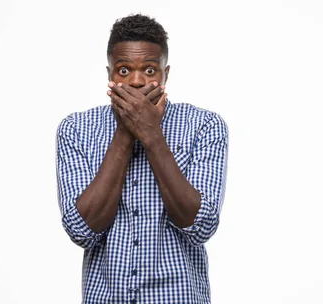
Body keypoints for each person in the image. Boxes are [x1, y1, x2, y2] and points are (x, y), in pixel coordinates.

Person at [55, 14, 229, 303]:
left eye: (149, 70)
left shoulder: (205, 125)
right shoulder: (75, 129)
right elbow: (80, 230)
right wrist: (126, 130)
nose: (136, 81)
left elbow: (201, 226)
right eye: (124, 71)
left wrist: (151, 135)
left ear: (165, 73)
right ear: (109, 73)